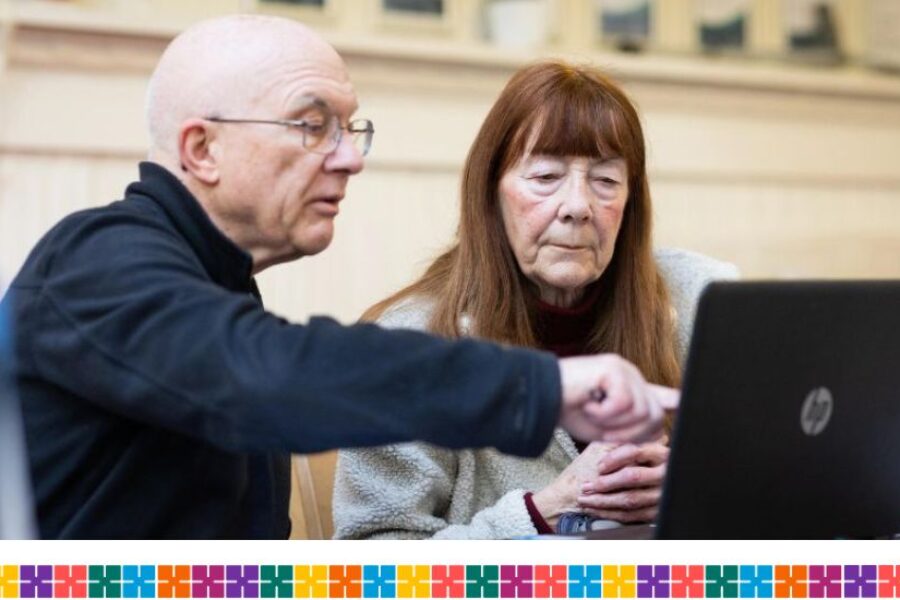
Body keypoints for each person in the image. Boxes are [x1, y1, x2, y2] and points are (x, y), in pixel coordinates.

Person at [0, 18, 676, 539]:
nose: (350, 158)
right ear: (201, 149)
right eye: (313, 125)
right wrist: (545, 388)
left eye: (350, 128)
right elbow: (266, 375)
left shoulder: (213, 282)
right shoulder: (95, 262)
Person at [333, 61, 738, 539]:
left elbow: (787, 486)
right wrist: (541, 512)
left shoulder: (702, 304)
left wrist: (694, 487)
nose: (577, 207)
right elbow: (368, 568)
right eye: (545, 176)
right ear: (491, 194)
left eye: (605, 181)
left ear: (631, 205)